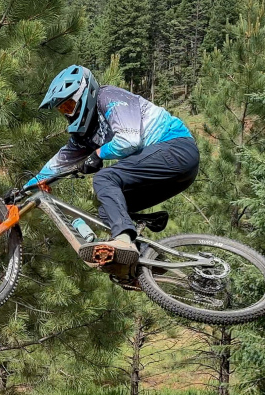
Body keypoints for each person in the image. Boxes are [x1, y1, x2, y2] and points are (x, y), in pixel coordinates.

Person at [20, 65, 200, 265]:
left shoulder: (108, 96)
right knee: (108, 211)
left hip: (176, 147)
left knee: (105, 178)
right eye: (63, 110)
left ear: (84, 93)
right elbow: (59, 164)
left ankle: (123, 240)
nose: (68, 114)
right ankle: (147, 262)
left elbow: (129, 140)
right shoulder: (84, 134)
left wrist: (98, 154)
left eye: (69, 106)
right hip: (174, 173)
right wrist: (24, 189)